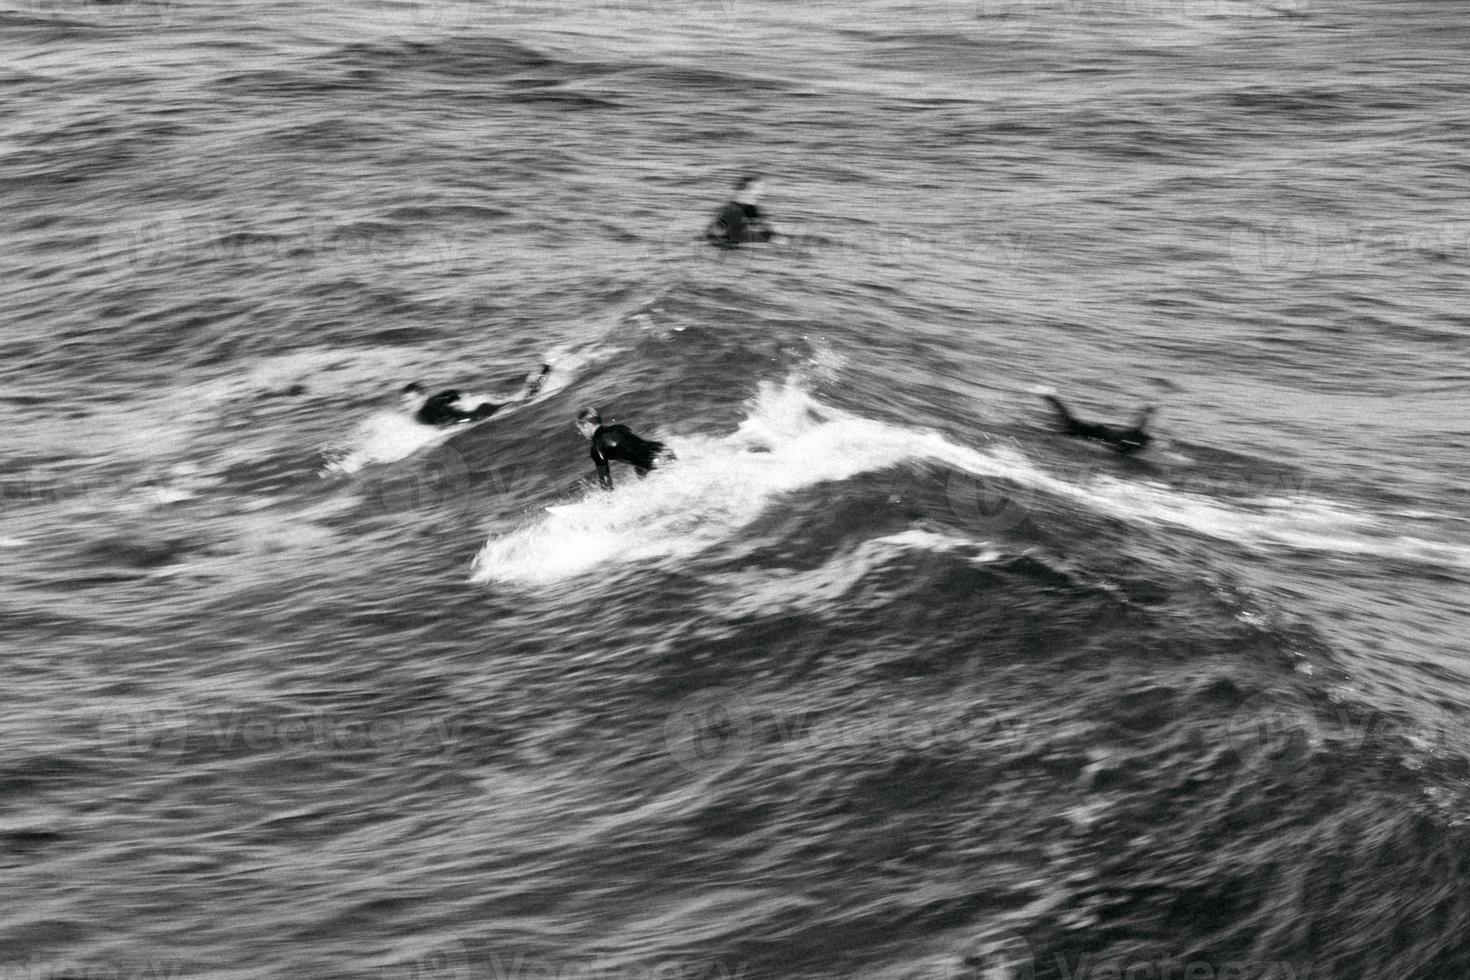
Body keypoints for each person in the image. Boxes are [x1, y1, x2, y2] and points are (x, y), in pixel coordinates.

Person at [402, 363, 551, 428]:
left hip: (479, 416)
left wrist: (449, 419)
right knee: (522, 398)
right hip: (479, 410)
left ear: (422, 396)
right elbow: (450, 394)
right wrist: (460, 399)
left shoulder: (425, 411)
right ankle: (543, 372)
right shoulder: (433, 401)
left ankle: (544, 373)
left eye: (410, 400)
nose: (407, 405)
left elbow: (445, 418)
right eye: (405, 401)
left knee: (528, 400)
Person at [575, 407, 672, 489]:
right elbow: (636, 449)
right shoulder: (620, 427)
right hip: (663, 451)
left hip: (657, 464)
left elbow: (605, 481)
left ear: (587, 425)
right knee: (639, 469)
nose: (580, 433)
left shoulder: (597, 448)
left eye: (580, 429)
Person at [1040, 393, 1154, 455]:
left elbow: (1114, 446)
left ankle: (1052, 398)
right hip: (1109, 435)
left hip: (1106, 435)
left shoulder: (1073, 431)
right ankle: (1052, 398)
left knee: (1070, 423)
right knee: (1070, 423)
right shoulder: (1134, 439)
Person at [705, 175, 778, 248]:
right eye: (757, 189)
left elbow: (771, 233)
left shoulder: (754, 210)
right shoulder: (730, 211)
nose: (761, 193)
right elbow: (714, 235)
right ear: (743, 191)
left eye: (762, 189)